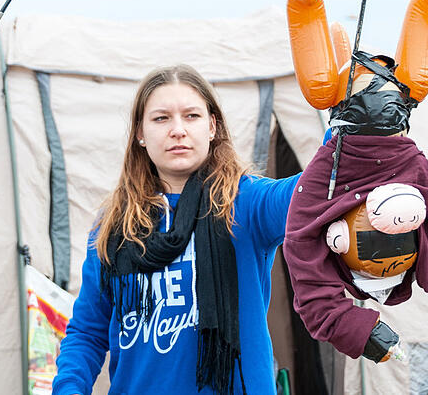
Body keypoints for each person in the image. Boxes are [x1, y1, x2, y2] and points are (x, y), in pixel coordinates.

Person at [53, 65, 300, 395]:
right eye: (161, 118)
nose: (178, 130)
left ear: (212, 126)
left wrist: (347, 133)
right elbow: (88, 331)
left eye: (192, 116)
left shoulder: (246, 202)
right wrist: (68, 388)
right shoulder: (114, 224)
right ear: (140, 132)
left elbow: (310, 191)